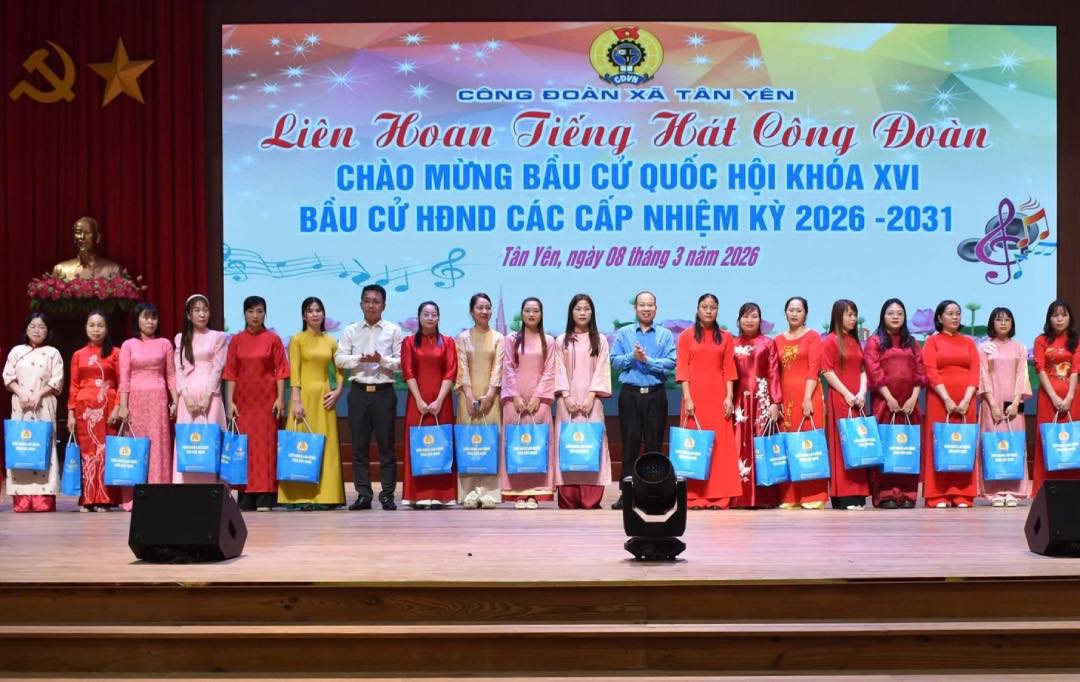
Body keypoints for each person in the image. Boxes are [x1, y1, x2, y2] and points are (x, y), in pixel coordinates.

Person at [335, 284, 403, 511]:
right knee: (359, 447)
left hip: (384, 393)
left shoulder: (393, 330)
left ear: (384, 305)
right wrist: (359, 359)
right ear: (361, 304)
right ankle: (363, 495)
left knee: (387, 447)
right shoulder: (351, 330)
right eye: (367, 301)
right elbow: (339, 359)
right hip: (358, 392)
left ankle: (387, 495)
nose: (371, 305)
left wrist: (381, 360)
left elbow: (402, 362)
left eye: (376, 301)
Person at [609, 291, 675, 509]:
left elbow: (671, 362)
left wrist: (648, 361)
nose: (646, 309)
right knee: (630, 445)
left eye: (650, 305)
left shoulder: (665, 335)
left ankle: (653, 494)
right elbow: (614, 361)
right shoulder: (624, 333)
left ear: (656, 308)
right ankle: (626, 494)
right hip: (630, 395)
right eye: (642, 305)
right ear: (635, 308)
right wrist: (632, 357)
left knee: (654, 447)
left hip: (655, 395)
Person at [223, 296, 289, 511]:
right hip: (243, 403)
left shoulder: (273, 339)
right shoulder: (236, 340)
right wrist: (229, 402)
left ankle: (266, 497)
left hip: (267, 401)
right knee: (245, 448)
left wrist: (281, 398)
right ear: (244, 314)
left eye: (259, 311)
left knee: (266, 448)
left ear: (265, 314)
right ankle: (245, 497)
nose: (255, 316)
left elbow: (281, 371)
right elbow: (230, 373)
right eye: (251, 311)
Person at [281, 297, 346, 510]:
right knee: (300, 445)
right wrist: (296, 401)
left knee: (326, 446)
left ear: (323, 314)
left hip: (325, 399)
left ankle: (326, 495)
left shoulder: (331, 341)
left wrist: (338, 391)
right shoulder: (297, 339)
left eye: (318, 310)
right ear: (304, 316)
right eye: (310, 311)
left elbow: (340, 370)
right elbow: (295, 372)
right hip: (303, 398)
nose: (315, 314)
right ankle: (299, 497)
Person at [675, 294, 739, 509]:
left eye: (713, 307)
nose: (709, 311)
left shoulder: (726, 337)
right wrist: (687, 398)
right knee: (695, 447)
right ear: (698, 309)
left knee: (719, 447)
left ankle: (719, 496)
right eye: (705, 307)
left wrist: (729, 397)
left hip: (718, 397)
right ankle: (694, 496)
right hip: (694, 398)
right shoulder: (686, 336)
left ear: (717, 310)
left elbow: (729, 369)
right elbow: (682, 370)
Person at [864, 298, 926, 509]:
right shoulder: (874, 342)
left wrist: (914, 398)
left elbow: (920, 371)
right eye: (891, 313)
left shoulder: (912, 342)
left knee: (907, 447)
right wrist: (889, 397)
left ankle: (907, 494)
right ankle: (886, 494)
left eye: (899, 313)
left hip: (909, 404)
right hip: (884, 403)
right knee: (886, 447)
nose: (895, 317)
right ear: (883, 316)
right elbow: (873, 370)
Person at [116, 303, 177, 511]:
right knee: (135, 447)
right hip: (135, 402)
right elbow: (124, 379)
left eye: (153, 317)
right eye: (146, 317)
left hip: (158, 401)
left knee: (158, 447)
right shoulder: (128, 345)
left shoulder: (165, 343)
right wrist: (123, 406)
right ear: (137, 319)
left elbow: (171, 375)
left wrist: (175, 401)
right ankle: (134, 497)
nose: (150, 322)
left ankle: (158, 494)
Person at [554, 294, 612, 509]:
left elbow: (601, 369)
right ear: (571, 312)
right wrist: (566, 396)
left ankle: (590, 498)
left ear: (592, 313)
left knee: (592, 444)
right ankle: (569, 496)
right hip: (566, 401)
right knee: (567, 444)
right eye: (578, 308)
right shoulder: (561, 340)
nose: (582, 313)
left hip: (592, 401)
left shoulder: (600, 340)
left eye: (587, 309)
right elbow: (558, 369)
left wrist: (590, 396)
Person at [922, 299, 980, 508]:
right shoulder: (932, 342)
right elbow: (930, 371)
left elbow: (975, 371)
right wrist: (946, 398)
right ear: (939, 318)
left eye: (958, 313)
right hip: (939, 400)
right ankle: (937, 494)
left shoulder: (969, 342)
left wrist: (966, 399)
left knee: (963, 444)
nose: (955, 317)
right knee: (941, 444)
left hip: (966, 401)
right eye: (950, 313)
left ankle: (962, 493)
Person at [501, 297, 557, 509]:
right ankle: (518, 493)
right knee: (516, 445)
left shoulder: (548, 341)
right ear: (522, 313)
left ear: (541, 314)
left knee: (537, 446)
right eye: (527, 310)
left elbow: (550, 370)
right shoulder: (511, 339)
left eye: (535, 311)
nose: (531, 314)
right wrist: (515, 395)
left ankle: (534, 493)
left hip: (539, 401)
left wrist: (537, 397)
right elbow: (508, 367)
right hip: (514, 400)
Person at [3, 313, 63, 512]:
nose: (37, 330)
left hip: (44, 404)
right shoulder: (16, 351)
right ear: (26, 329)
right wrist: (21, 393)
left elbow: (57, 380)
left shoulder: (53, 353)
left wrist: (39, 394)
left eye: (41, 327)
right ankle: (22, 499)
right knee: (21, 445)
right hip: (20, 406)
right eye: (33, 326)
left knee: (43, 446)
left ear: (48, 330)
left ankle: (42, 499)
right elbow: (8, 376)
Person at [401, 301, 458, 509]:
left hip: (441, 402)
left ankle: (442, 495)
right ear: (419, 317)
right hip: (417, 402)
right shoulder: (409, 342)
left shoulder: (448, 342)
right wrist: (418, 399)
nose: (430, 318)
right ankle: (417, 495)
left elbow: (450, 371)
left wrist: (439, 400)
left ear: (438, 318)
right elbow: (408, 371)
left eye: (434, 314)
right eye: (426, 314)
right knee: (419, 446)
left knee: (441, 445)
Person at [774, 296, 829, 510]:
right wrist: (776, 400)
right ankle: (791, 496)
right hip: (785, 398)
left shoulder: (813, 337)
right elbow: (775, 373)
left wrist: (807, 397)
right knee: (789, 445)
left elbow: (814, 368)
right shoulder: (777, 340)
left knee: (809, 444)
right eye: (791, 309)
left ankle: (813, 495)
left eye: (799, 310)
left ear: (806, 313)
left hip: (808, 396)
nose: (794, 313)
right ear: (785, 312)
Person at [978, 306, 1032, 506]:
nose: (1003, 323)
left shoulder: (1020, 347)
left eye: (1007, 319)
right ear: (992, 323)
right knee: (992, 444)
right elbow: (983, 376)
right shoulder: (984, 347)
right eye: (999, 319)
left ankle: (1013, 491)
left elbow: (1022, 376)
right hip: (991, 403)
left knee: (1014, 444)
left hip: (1014, 404)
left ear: (1012, 323)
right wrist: (992, 403)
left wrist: (1016, 402)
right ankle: (994, 493)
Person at [68, 310, 121, 511]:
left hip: (108, 408)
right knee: (87, 453)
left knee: (105, 451)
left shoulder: (116, 353)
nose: (96, 329)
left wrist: (118, 407)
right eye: (92, 325)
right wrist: (71, 413)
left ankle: (105, 498)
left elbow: (122, 383)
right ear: (85, 328)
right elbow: (74, 386)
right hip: (85, 410)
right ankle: (88, 498)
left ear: (107, 329)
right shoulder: (78, 355)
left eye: (100, 325)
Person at [173, 294, 229, 484]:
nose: (202, 314)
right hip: (187, 397)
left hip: (211, 397)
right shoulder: (181, 338)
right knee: (188, 441)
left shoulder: (218, 337)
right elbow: (178, 369)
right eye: (196, 310)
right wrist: (186, 397)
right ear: (188, 315)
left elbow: (218, 368)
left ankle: (211, 487)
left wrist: (207, 397)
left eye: (205, 310)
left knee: (210, 441)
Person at [731, 302, 782, 508]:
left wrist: (775, 401)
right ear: (739, 320)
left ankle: (764, 497)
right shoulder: (732, 344)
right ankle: (739, 497)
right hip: (738, 401)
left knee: (762, 446)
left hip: (762, 400)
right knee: (739, 445)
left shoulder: (768, 343)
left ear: (760, 320)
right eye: (745, 316)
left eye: (754, 316)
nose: (750, 320)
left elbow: (774, 373)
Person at [455, 293, 504, 509]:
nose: (484, 311)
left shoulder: (499, 338)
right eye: (480, 307)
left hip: (491, 398)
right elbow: (462, 367)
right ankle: (468, 492)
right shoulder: (463, 337)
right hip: (467, 397)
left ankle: (489, 492)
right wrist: (468, 394)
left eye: (487, 307)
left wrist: (490, 394)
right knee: (468, 442)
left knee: (490, 441)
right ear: (471, 311)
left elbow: (498, 367)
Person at [821, 299, 871, 510]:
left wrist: (862, 392)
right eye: (849, 314)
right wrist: (847, 394)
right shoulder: (831, 341)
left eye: (854, 314)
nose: (853, 318)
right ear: (837, 316)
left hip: (857, 400)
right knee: (843, 446)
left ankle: (858, 494)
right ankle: (844, 496)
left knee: (859, 444)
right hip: (841, 399)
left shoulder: (855, 341)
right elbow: (827, 370)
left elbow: (862, 369)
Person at [1032, 300, 1080, 494]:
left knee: (1072, 440)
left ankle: (1073, 486)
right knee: (1047, 439)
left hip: (1072, 397)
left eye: (1063, 315)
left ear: (1070, 318)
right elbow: (1040, 369)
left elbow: (1075, 370)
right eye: (1055, 315)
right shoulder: (1041, 340)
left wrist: (1069, 397)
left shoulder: (1075, 340)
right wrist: (1053, 396)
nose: (1059, 319)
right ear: (1049, 318)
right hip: (1048, 397)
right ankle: (1044, 488)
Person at [51, 216, 123, 280]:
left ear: (97, 237)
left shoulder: (113, 270)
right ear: (74, 238)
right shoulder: (61, 269)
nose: (82, 237)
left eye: (88, 233)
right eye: (78, 232)